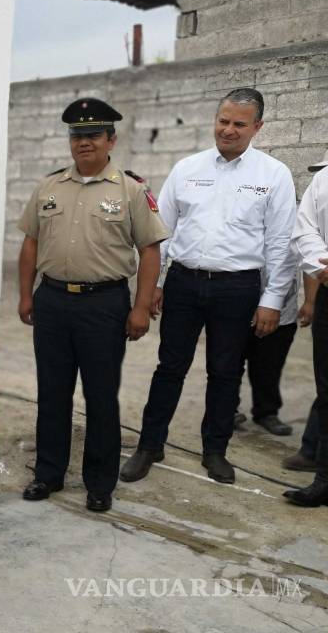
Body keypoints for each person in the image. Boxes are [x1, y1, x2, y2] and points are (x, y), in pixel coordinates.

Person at [121, 88, 297, 486]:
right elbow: (160, 232)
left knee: (225, 371)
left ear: (257, 127)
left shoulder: (274, 175)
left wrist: (271, 301)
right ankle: (150, 445)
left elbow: (281, 244)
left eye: (239, 124)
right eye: (223, 121)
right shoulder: (187, 168)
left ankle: (215, 450)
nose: (228, 130)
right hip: (184, 282)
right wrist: (158, 283)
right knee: (170, 367)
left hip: (238, 289)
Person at [17, 98, 169, 513]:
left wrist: (140, 308)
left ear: (110, 140)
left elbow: (150, 251)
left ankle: (99, 483)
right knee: (52, 393)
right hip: (52, 302)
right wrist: (26, 294)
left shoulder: (131, 190)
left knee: (101, 397)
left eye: (92, 135)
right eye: (76, 135)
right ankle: (48, 474)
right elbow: (30, 242)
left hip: (104, 305)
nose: (83, 142)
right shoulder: (48, 187)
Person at [286, 148, 328, 506]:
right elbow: (306, 231)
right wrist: (321, 264)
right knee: (327, 392)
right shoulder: (323, 180)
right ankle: (324, 479)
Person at [232, 266, 308, 437]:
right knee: (229, 364)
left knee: (269, 366)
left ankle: (266, 412)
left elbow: (310, 258)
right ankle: (227, 409)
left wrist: (310, 300)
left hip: (282, 310)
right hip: (236, 302)